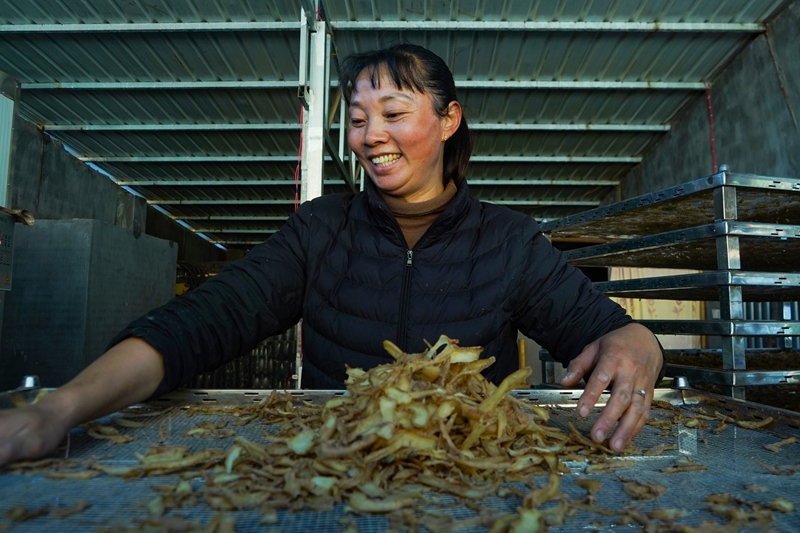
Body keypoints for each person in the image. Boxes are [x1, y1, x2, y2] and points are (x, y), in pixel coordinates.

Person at [0, 44, 664, 468]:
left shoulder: (510, 242)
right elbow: (198, 323)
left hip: (472, 484)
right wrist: (55, 411)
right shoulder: (322, 232)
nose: (370, 135)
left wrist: (640, 346)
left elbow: (614, 332)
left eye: (394, 112)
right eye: (356, 117)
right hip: (330, 478)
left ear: (449, 118)